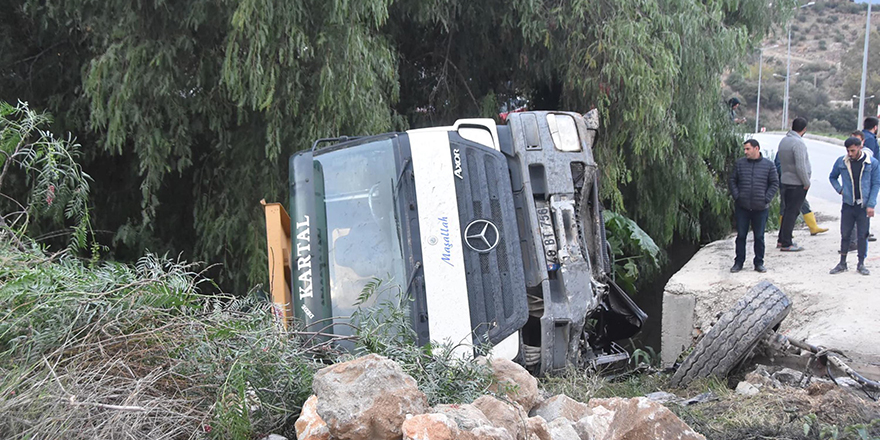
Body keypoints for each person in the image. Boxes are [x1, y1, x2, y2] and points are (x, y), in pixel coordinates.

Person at [829, 137, 880, 275]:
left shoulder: (872, 163)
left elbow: (876, 184)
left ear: (860, 147)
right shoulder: (842, 162)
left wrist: (871, 204)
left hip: (863, 205)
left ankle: (861, 263)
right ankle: (842, 262)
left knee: (863, 234)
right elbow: (832, 177)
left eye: (852, 150)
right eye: (848, 151)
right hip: (848, 204)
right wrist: (840, 189)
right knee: (845, 233)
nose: (850, 154)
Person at [729, 139, 779, 273]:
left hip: (760, 208)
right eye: (744, 149)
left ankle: (759, 263)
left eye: (748, 149)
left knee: (759, 237)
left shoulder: (768, 165)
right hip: (743, 207)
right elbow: (732, 180)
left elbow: (774, 183)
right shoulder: (740, 164)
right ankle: (738, 262)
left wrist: (766, 198)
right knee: (741, 236)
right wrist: (737, 196)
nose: (745, 152)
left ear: (756, 149)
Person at [776, 117, 811, 251]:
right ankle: (787, 242)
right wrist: (806, 182)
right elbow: (800, 166)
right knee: (792, 212)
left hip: (785, 180)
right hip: (797, 183)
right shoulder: (798, 143)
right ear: (804, 129)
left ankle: (781, 239)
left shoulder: (784, 140)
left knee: (786, 211)